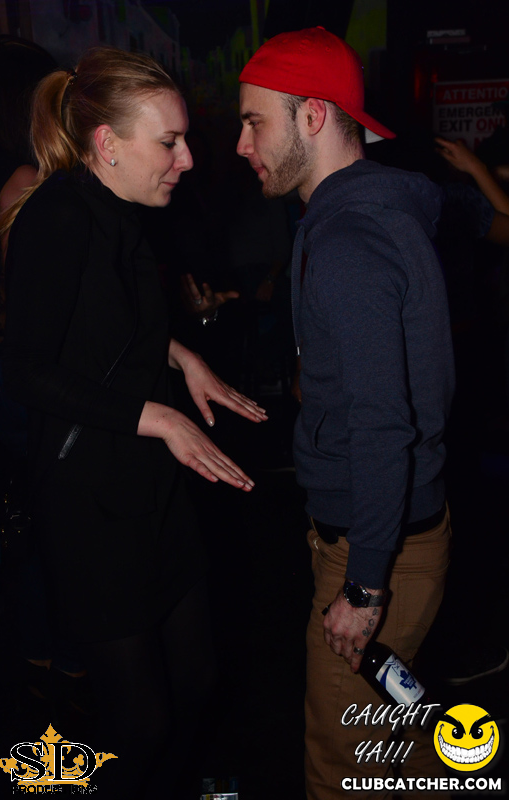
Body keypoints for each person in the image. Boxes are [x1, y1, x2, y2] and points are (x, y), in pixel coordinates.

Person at [0, 46, 267, 799]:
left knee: (199, 681)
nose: (188, 158)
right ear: (107, 143)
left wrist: (182, 357)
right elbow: (28, 370)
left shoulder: (125, 212)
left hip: (151, 490)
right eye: (169, 142)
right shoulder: (58, 216)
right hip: (91, 505)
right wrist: (159, 415)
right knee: (141, 724)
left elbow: (106, 323)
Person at [237, 28, 454, 799]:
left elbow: (382, 428)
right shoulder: (352, 217)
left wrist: (363, 590)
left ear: (313, 116)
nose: (240, 144)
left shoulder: (347, 242)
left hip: (376, 550)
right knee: (398, 741)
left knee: (339, 766)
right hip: (384, 530)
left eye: (253, 122)